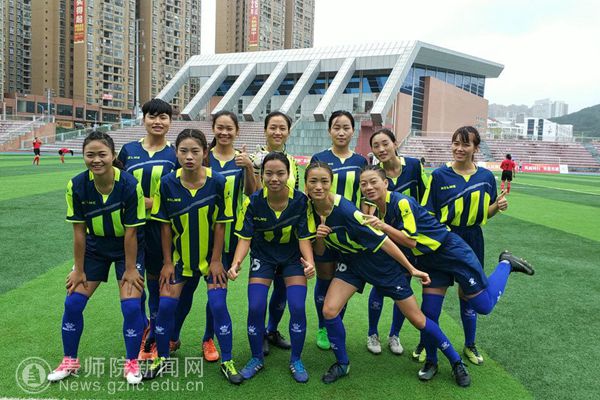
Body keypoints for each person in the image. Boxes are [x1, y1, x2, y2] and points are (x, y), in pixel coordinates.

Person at [305, 162, 475, 387]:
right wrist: (319, 237)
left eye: (324, 181)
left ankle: (456, 362)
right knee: (329, 310)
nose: (318, 186)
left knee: (417, 319)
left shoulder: (345, 210)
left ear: (331, 183)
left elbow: (384, 241)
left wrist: (411, 268)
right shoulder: (309, 208)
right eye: (313, 181)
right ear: (305, 184)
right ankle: (342, 363)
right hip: (351, 264)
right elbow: (320, 251)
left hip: (379, 264)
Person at [360, 164, 534, 382]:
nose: (368, 187)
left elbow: (410, 240)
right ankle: (432, 361)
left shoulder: (401, 202)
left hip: (451, 250)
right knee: (429, 314)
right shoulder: (380, 211)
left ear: (386, 183)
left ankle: (506, 264)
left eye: (373, 182)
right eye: (363, 184)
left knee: (483, 306)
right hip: (430, 261)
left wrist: (383, 227)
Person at [144, 129, 243, 384]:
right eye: (183, 151)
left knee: (218, 305)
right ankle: (162, 358)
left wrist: (217, 260)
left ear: (205, 153)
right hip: (180, 259)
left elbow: (220, 225)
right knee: (166, 307)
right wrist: (167, 262)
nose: (189, 157)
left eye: (195, 151)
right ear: (176, 153)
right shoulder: (166, 183)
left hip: (211, 259)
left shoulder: (217, 181)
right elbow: (165, 227)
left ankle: (227, 361)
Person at [47, 131, 146, 385]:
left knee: (131, 306)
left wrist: (131, 269)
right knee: (73, 303)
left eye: (102, 154)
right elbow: (79, 232)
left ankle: (132, 362)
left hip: (127, 249)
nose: (96, 160)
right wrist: (78, 270)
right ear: (83, 156)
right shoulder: (77, 185)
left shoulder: (130, 184)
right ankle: (70, 360)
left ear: (112, 155)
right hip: (94, 249)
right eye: (90, 155)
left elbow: (131, 232)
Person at [418, 125, 512, 367]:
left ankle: (470, 344)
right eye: (456, 143)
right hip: (442, 241)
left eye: (465, 144)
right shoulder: (439, 176)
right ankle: (428, 349)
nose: (459, 149)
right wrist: (440, 237)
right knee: (430, 306)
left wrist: (497, 207)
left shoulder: (486, 178)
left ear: (475, 148)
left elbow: (483, 213)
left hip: (471, 240)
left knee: (468, 298)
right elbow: (428, 213)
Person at [168, 111, 255, 363]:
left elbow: (252, 193)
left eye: (229, 128)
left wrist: (249, 168)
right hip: (193, 236)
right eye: (220, 127)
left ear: (237, 131)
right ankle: (173, 336)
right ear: (213, 129)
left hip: (226, 236)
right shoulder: (201, 156)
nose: (224, 132)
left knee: (215, 292)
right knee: (185, 291)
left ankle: (208, 338)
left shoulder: (241, 160)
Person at [228, 152, 316, 383]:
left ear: (289, 174)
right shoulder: (252, 202)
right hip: (263, 258)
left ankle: (296, 360)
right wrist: (236, 263)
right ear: (262, 175)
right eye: (269, 173)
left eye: (280, 173)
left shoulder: (301, 201)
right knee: (256, 306)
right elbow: (245, 238)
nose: (274, 178)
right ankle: (256, 358)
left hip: (292, 259)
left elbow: (304, 238)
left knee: (297, 306)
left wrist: (309, 263)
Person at [116, 98, 178, 361]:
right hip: (131, 228)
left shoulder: (175, 154)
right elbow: (117, 185)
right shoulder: (128, 151)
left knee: (155, 283)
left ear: (170, 122)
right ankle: (142, 329)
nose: (157, 121)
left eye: (163, 117)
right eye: (152, 116)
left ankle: (153, 335)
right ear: (144, 119)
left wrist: (151, 203)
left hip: (160, 230)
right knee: (133, 283)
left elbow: (180, 191)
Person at [365, 128, 428, 356]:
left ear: (395, 143)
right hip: (385, 239)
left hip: (409, 238)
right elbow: (368, 208)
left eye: (385, 143)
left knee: (403, 285)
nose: (381, 149)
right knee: (379, 285)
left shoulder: (413, 166)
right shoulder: (374, 174)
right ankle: (372, 333)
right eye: (376, 146)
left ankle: (395, 334)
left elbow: (425, 198)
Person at [309, 110, 367, 350]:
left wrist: (365, 222)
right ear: (329, 131)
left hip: (349, 233)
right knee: (324, 279)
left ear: (353, 131)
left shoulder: (361, 161)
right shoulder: (320, 158)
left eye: (346, 127)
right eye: (336, 127)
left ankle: (336, 323)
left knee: (342, 281)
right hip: (324, 229)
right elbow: (311, 191)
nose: (341, 132)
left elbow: (366, 195)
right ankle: (323, 326)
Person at [249, 111, 299, 354]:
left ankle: (271, 330)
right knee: (258, 296)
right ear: (265, 130)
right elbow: (250, 195)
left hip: (289, 240)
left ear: (288, 132)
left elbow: (298, 197)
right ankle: (259, 334)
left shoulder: (293, 162)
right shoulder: (252, 158)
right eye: (273, 127)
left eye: (282, 128)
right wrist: (250, 168)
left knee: (282, 290)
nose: (277, 132)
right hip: (263, 238)